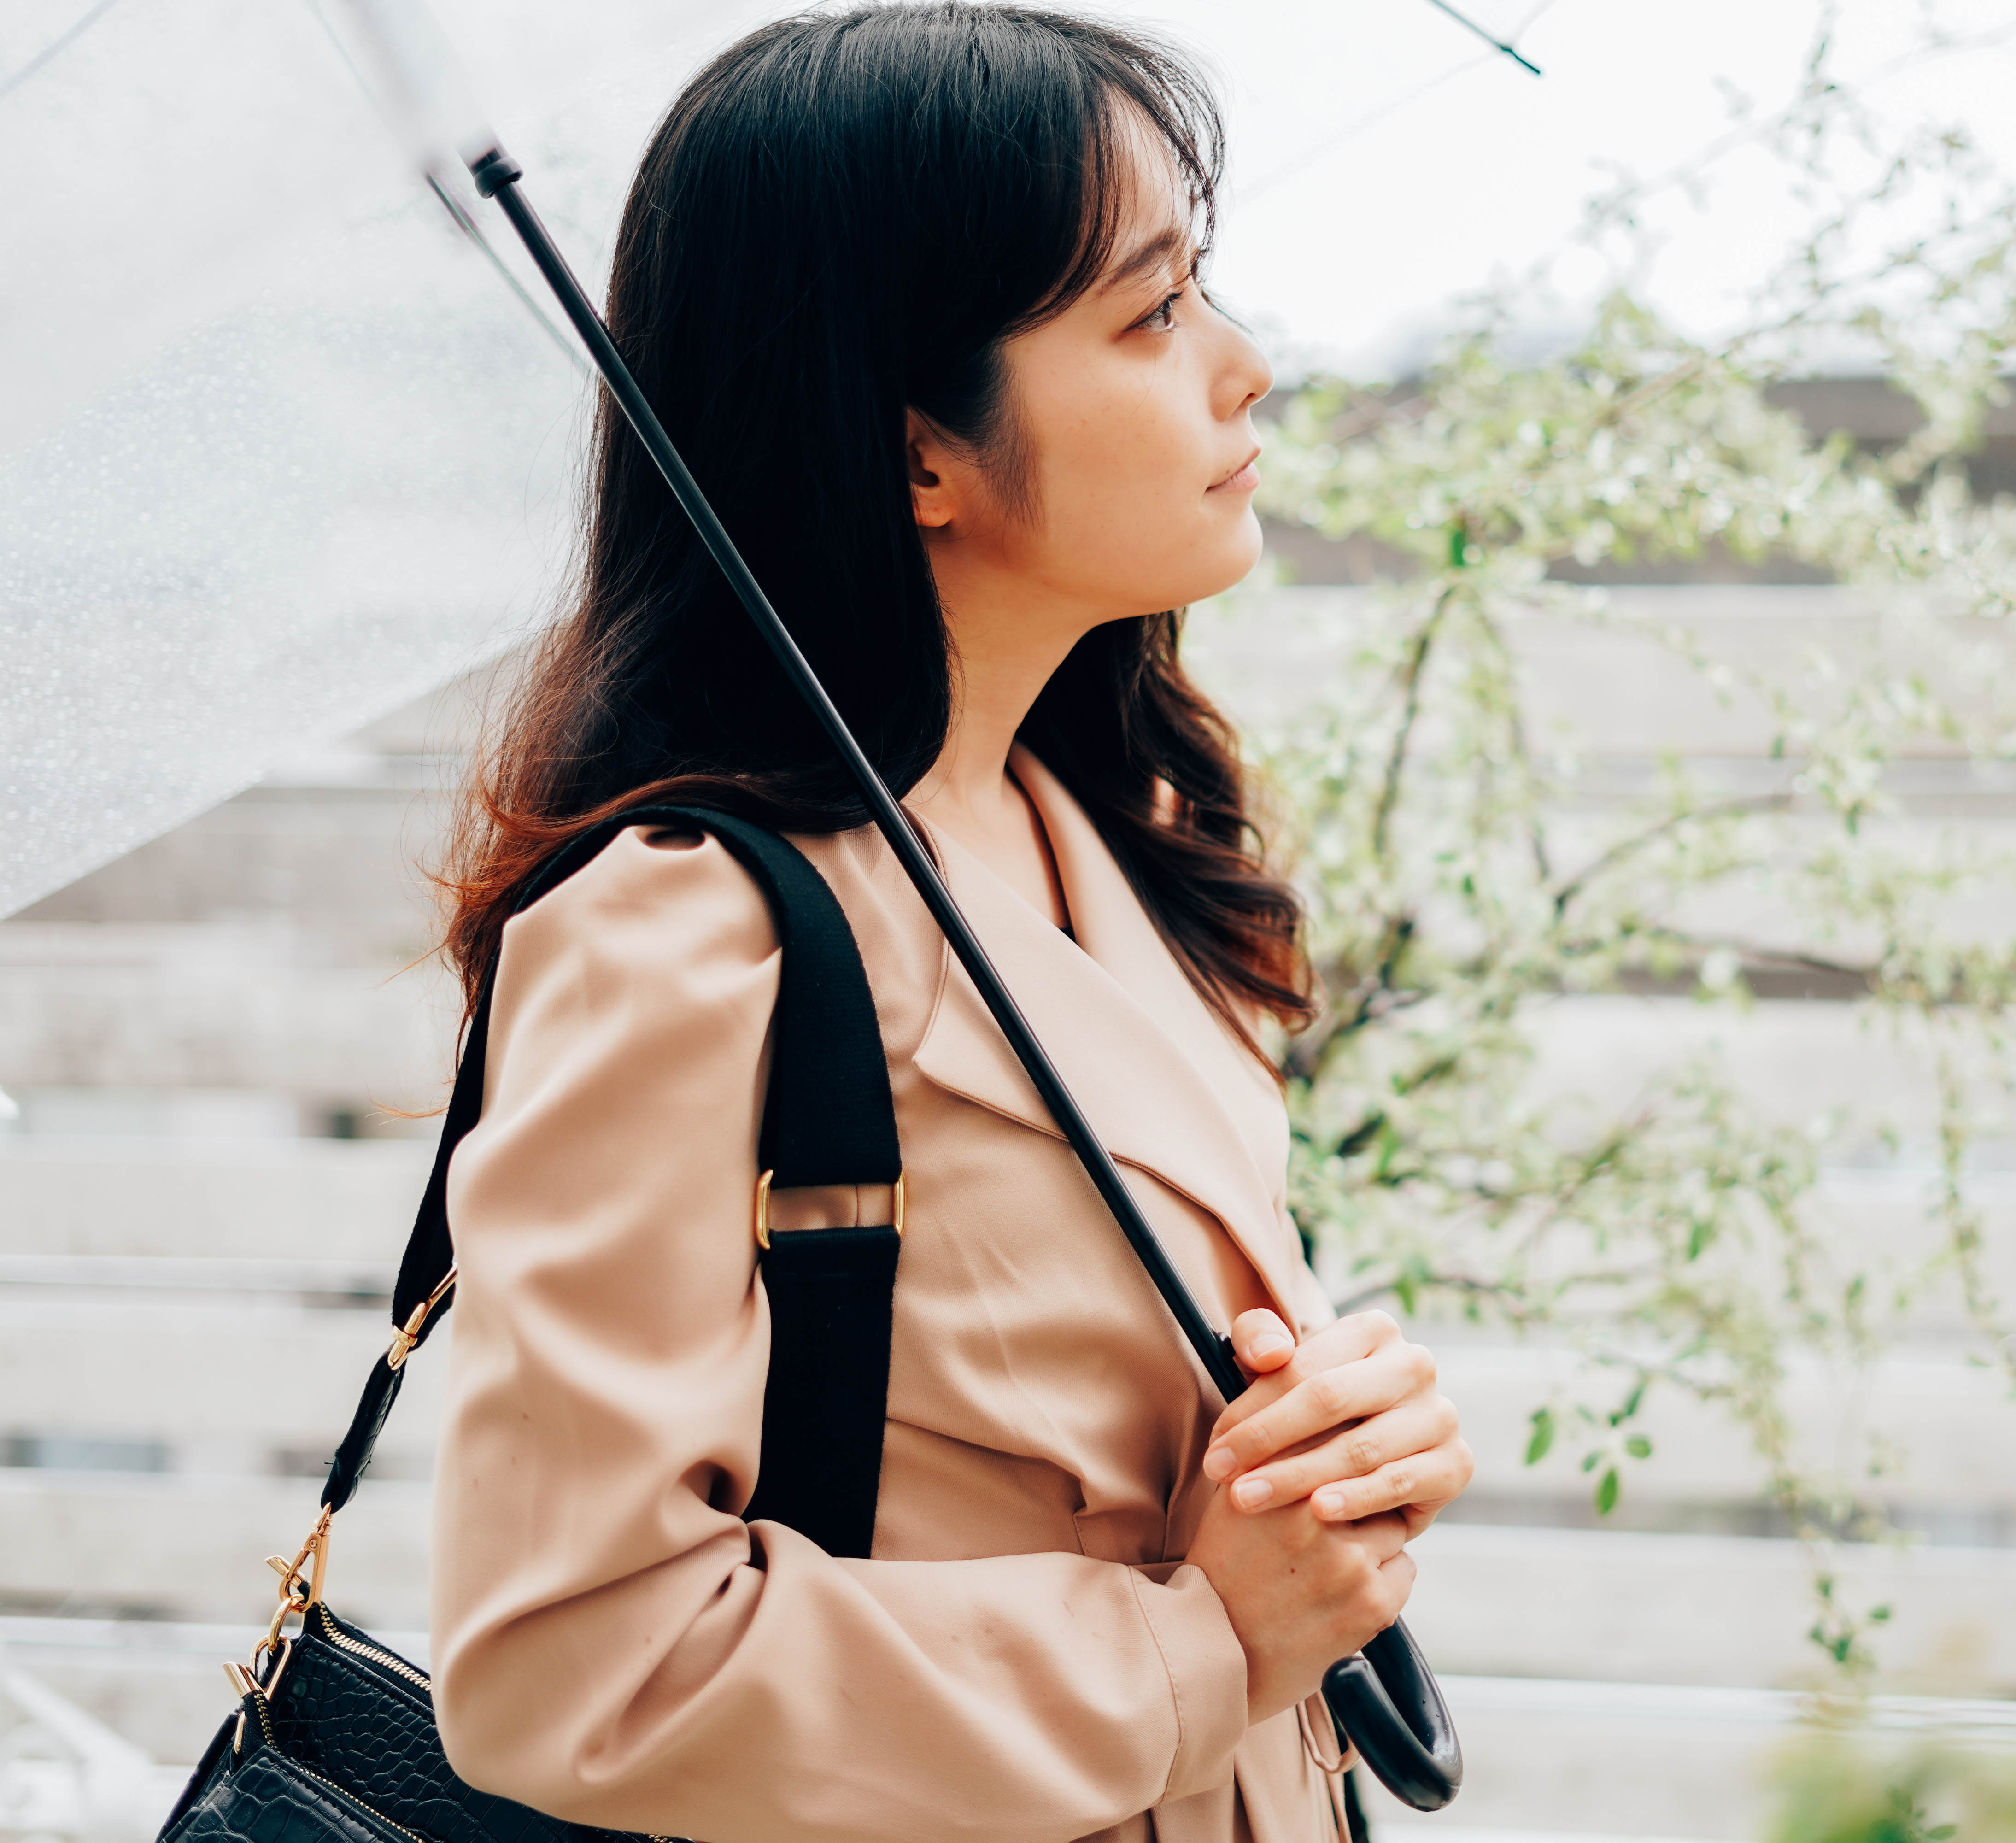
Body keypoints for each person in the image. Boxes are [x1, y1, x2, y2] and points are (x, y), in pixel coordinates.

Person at [422, 9, 1472, 1840]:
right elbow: (566, 1659)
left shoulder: (1105, 833)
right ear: (920, 452)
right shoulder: (694, 938)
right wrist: (1202, 1636)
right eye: (1151, 316)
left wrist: (1334, 1439)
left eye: (1203, 289)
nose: (1248, 370)